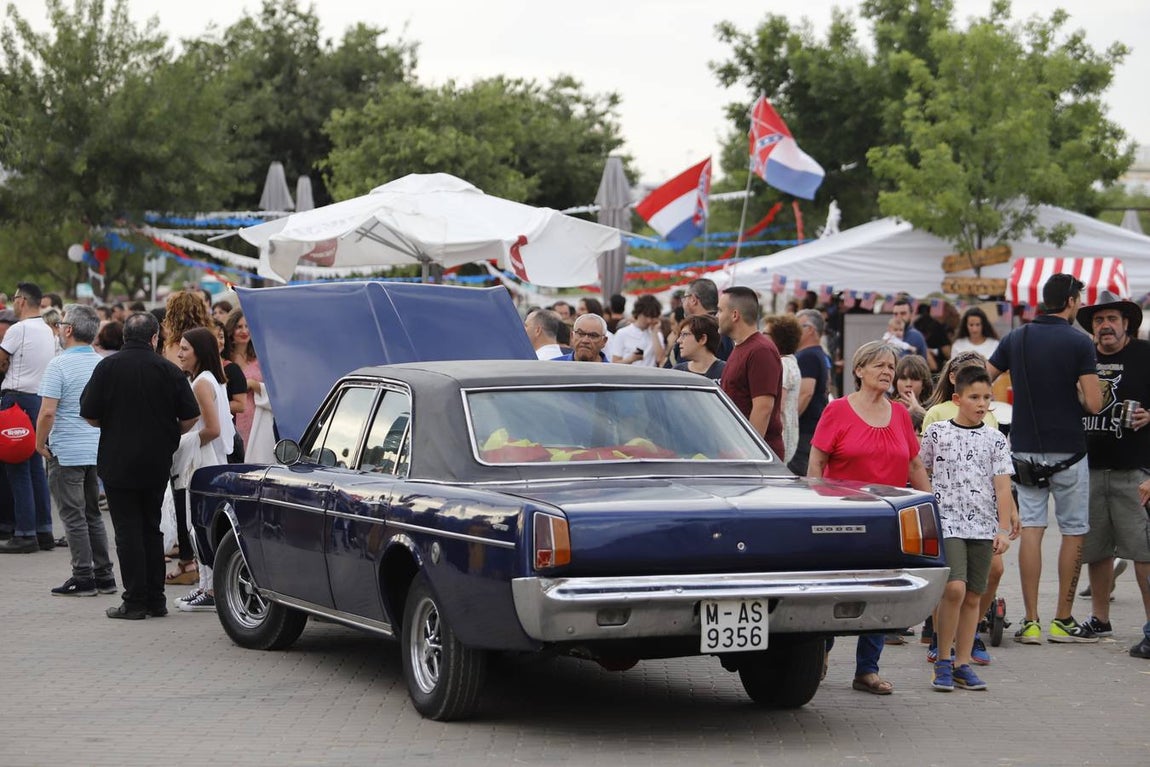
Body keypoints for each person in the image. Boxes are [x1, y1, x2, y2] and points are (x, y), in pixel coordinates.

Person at [808, 340, 931, 695]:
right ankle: (821, 656)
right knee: (834, 592)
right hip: (840, 516)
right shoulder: (838, 411)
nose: (887, 372)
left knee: (882, 595)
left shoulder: (900, 414)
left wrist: (930, 504)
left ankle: (867, 670)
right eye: (878, 365)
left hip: (887, 521)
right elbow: (816, 463)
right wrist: (817, 506)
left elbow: (914, 464)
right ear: (858, 370)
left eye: (890, 366)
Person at [987, 273, 1103, 643]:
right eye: (1080, 299)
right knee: (1072, 530)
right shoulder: (1079, 343)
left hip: (1023, 450)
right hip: (1069, 451)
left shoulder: (1016, 338)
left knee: (1033, 530)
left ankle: (1032, 621)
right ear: (1069, 301)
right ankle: (1062, 619)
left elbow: (982, 376)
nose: (1081, 305)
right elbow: (1095, 403)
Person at [81, 312, 199, 619]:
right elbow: (191, 416)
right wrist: (171, 432)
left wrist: (112, 424)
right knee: (151, 528)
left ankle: (134, 601)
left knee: (127, 531)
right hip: (156, 461)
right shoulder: (168, 370)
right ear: (155, 338)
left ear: (123, 338)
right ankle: (156, 599)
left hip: (117, 459)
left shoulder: (107, 367)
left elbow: (89, 413)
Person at [920, 366, 1015, 691]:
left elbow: (1002, 487)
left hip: (982, 526)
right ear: (957, 398)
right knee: (954, 589)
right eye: (974, 397)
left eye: (987, 397)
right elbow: (922, 471)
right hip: (947, 523)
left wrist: (1002, 529)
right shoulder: (938, 432)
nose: (981, 403)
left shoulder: (996, 438)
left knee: (974, 594)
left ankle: (962, 663)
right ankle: (942, 659)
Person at [1073, 292, 1150, 659]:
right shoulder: (1082, 358)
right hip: (1089, 469)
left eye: (1112, 319)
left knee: (1143, 552)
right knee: (1097, 549)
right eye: (1099, 320)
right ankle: (1099, 619)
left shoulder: (1145, 355)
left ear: (1126, 323)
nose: (1105, 326)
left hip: (1135, 470)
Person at [36, 305, 117, 596]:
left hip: (67, 449)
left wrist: (38, 442)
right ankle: (104, 575)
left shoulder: (58, 364)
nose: (58, 328)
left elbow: (47, 412)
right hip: (95, 447)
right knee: (92, 514)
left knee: (72, 515)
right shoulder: (101, 363)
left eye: (61, 324)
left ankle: (83, 576)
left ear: (68, 330)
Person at [170, 327, 235, 612]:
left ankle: (209, 589)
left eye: (184, 348)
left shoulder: (200, 384)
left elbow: (212, 429)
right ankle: (205, 586)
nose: (180, 353)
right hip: (209, 461)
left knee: (199, 527)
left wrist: (181, 441)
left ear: (199, 352)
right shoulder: (208, 379)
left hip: (203, 464)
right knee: (198, 527)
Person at [0, 282, 58, 553]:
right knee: (35, 467)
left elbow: (1, 360)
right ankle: (43, 529)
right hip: (38, 399)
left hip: (16, 398)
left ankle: (24, 533)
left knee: (17, 467)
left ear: (21, 301)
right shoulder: (48, 330)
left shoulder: (18, 329)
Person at [717, 287, 785, 459]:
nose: (716, 316)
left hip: (752, 455)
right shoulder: (741, 347)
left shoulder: (760, 350)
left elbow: (763, 408)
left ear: (734, 315)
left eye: (720, 310)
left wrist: (751, 454)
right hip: (736, 450)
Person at [789, 308, 829, 475]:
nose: (794, 332)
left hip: (804, 431)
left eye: (798, 327)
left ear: (810, 329)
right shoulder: (819, 354)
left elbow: (806, 393)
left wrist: (790, 422)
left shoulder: (808, 356)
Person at [765, 314, 802, 464]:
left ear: (777, 338)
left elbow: (777, 405)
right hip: (789, 435)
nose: (761, 335)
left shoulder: (783, 365)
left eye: (766, 333)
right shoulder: (791, 362)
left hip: (780, 435)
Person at [609, 294, 665, 366]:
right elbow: (614, 363)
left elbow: (660, 359)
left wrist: (654, 333)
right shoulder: (622, 333)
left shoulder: (657, 335)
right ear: (638, 312)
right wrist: (631, 359)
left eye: (652, 317)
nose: (649, 320)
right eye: (646, 316)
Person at [673, 315, 725, 380]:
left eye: (685, 334)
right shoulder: (677, 372)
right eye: (680, 335)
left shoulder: (725, 372)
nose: (678, 340)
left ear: (702, 339)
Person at [892, 354, 932, 434]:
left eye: (915, 379)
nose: (908, 384)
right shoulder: (887, 408)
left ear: (923, 384)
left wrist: (921, 412)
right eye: (903, 378)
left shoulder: (933, 410)